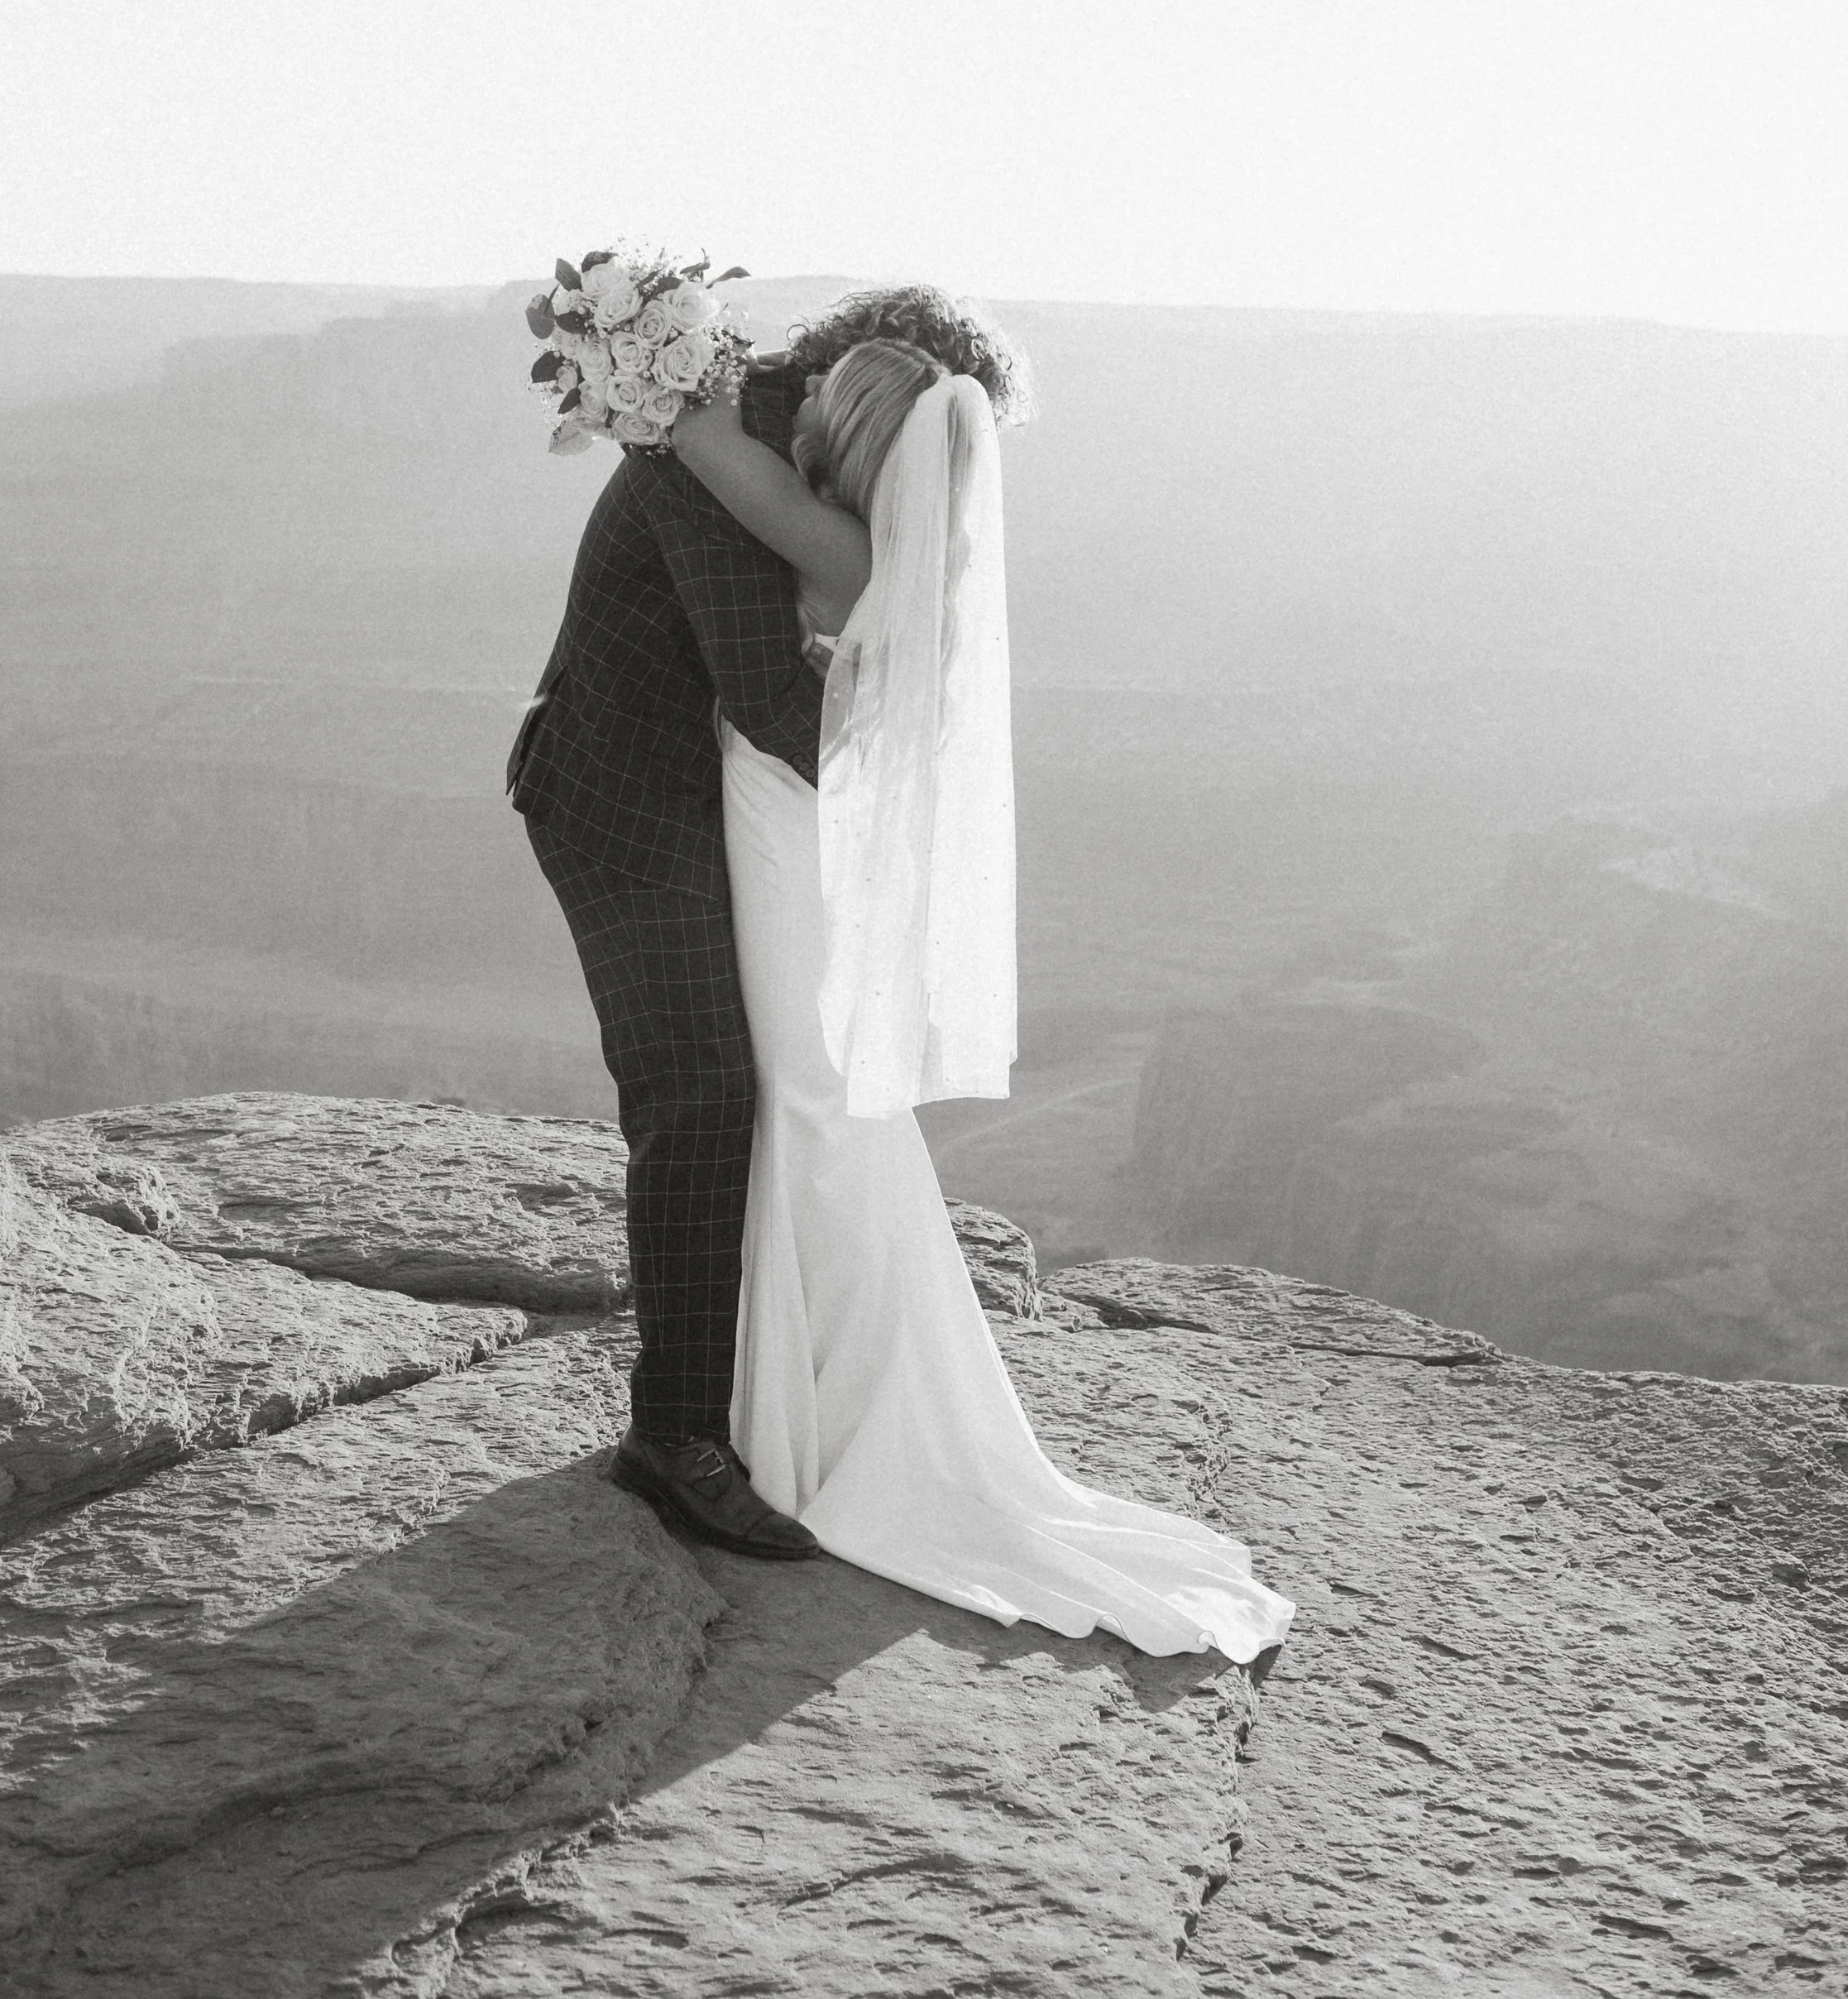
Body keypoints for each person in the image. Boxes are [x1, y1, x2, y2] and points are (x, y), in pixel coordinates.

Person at [666, 329, 1296, 1664]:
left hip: (787, 847)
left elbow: (706, 456)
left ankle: (823, 1424)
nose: (805, 426)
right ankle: (814, 1399)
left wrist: (652, 373)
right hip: (804, 845)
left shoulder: (838, 549)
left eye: (827, 412)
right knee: (827, 1109)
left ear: (865, 442)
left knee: (811, 1102)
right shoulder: (908, 555)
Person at [508, 283, 1022, 1563]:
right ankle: (673, 1434)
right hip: (625, 803)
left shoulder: (751, 450)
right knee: (701, 1089)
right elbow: (766, 697)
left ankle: (750, 1389)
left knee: (768, 1089)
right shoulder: (713, 466)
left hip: (725, 806)